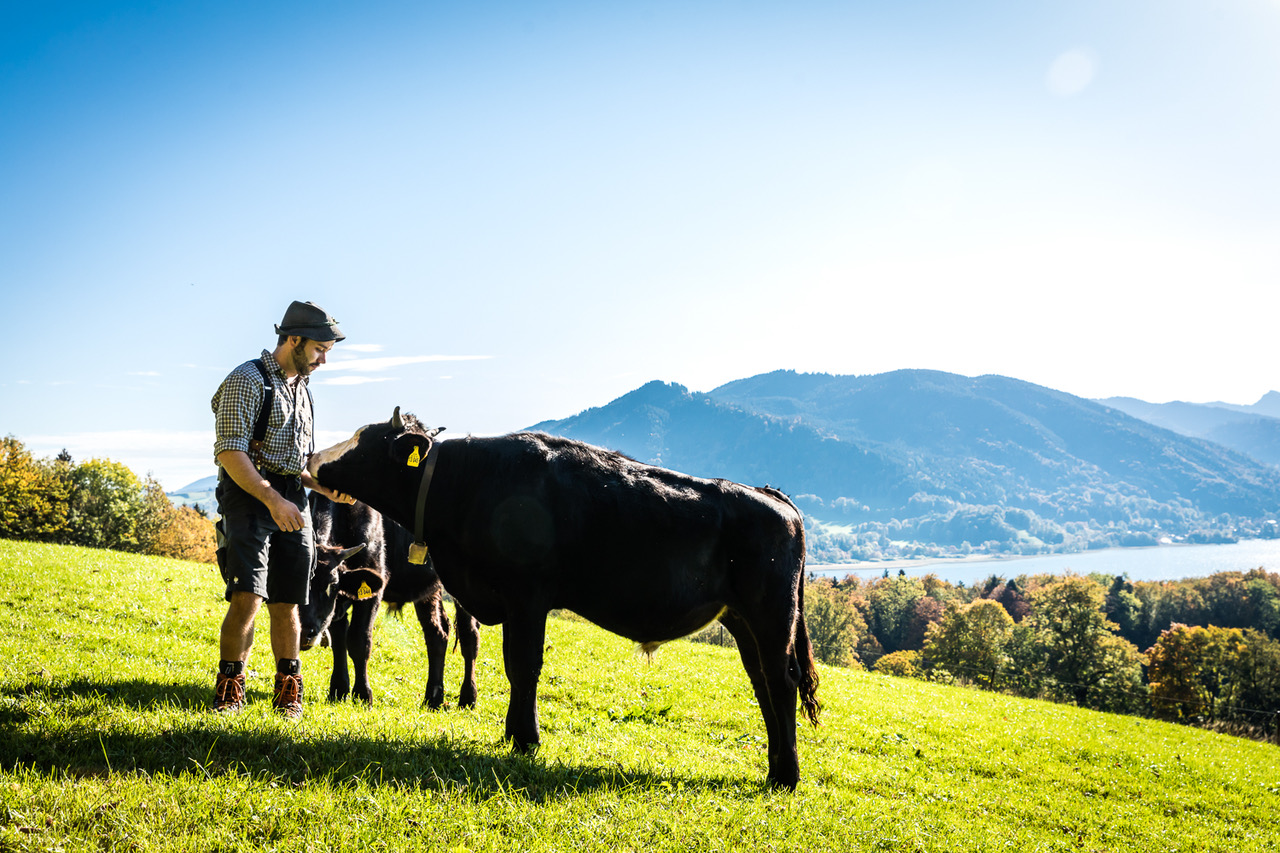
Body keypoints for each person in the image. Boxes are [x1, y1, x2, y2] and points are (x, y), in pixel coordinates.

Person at [210, 300, 355, 718]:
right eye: (318, 349)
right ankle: (229, 689)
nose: (323, 360)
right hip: (249, 495)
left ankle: (288, 693)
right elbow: (231, 452)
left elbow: (297, 462)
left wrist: (321, 488)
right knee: (247, 596)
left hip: (294, 498)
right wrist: (272, 500)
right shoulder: (246, 380)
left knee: (288, 600)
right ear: (293, 339)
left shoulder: (302, 388)